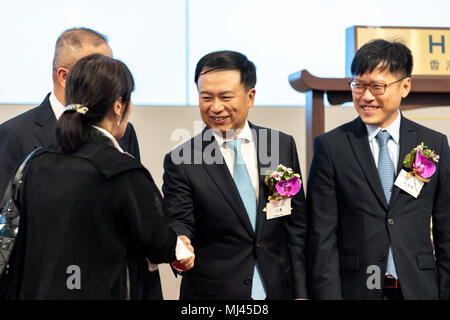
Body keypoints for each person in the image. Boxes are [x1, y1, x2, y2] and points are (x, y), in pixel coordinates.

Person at [7, 54, 194, 299]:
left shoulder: (36, 162)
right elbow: (159, 241)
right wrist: (180, 250)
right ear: (119, 106)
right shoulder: (122, 171)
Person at [306, 39, 450, 300]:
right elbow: (321, 237)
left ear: (405, 86)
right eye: (358, 85)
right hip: (356, 289)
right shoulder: (331, 147)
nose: (366, 96)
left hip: (418, 288)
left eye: (377, 87)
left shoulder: (434, 143)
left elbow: (446, 229)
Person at [162, 50, 308, 299]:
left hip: (277, 288)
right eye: (206, 97)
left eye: (226, 97)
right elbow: (180, 220)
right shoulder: (182, 160)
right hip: (214, 294)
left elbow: (296, 226)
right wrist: (180, 241)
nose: (215, 107)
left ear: (250, 97)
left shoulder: (280, 145)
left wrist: (302, 293)